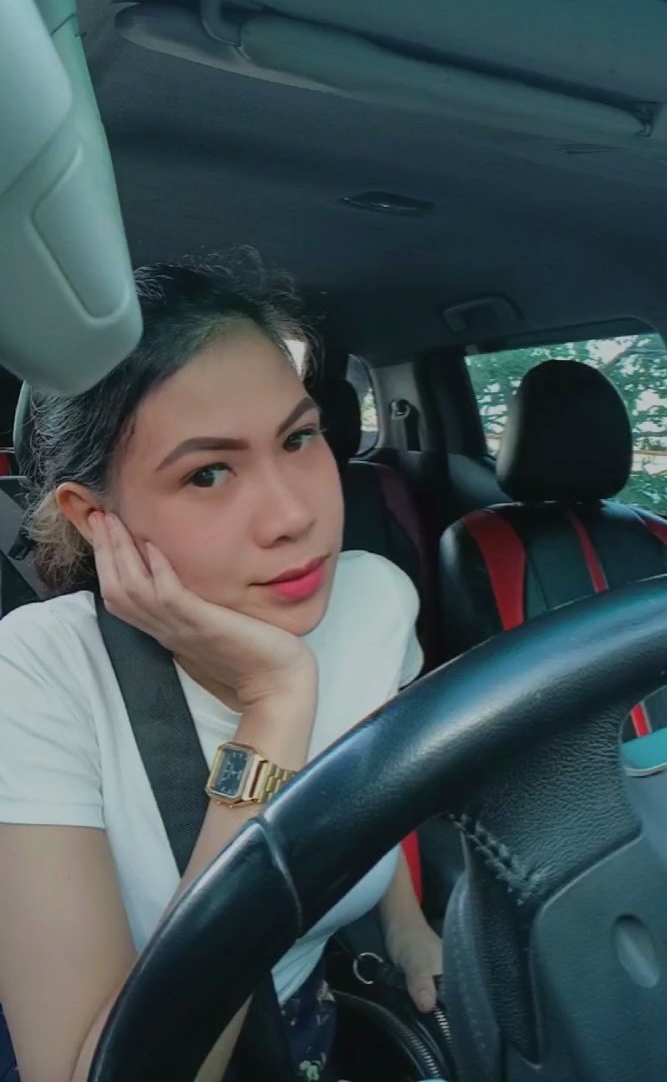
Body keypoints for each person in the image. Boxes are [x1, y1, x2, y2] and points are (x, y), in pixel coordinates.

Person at [0, 258, 442, 1082]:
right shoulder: (36, 673)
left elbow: (376, 797)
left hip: (315, 1031)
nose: (294, 515)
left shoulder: (376, 601)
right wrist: (273, 706)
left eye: (299, 438)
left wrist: (405, 924)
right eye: (208, 473)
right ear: (95, 518)